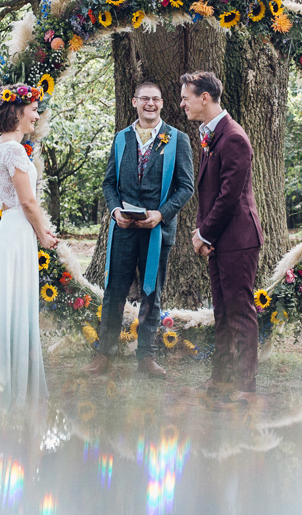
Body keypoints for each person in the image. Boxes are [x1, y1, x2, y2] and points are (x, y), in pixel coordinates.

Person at [86, 80, 194, 377]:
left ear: (162, 103)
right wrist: (115, 210)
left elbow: (186, 187)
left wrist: (162, 214)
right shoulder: (121, 139)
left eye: (155, 99)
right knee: (114, 292)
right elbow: (109, 183)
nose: (150, 103)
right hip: (123, 229)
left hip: (157, 230)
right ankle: (104, 355)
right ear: (134, 102)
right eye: (144, 98)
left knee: (152, 293)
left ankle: (147, 357)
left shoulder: (177, 139)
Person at [181, 71, 264, 405]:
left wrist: (203, 232)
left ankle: (246, 386)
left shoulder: (233, 137)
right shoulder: (210, 134)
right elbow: (209, 191)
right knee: (223, 313)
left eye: (186, 97)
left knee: (241, 313)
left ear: (204, 98)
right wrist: (205, 233)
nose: (182, 103)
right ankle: (220, 380)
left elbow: (229, 197)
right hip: (220, 239)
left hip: (239, 239)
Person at [0, 83, 57, 408]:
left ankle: (9, 378)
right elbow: (27, 200)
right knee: (15, 302)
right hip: (18, 229)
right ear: (17, 112)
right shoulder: (12, 150)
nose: (36, 115)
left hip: (11, 230)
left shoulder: (3, 146)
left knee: (12, 302)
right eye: (33, 110)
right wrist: (43, 234)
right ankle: (14, 383)